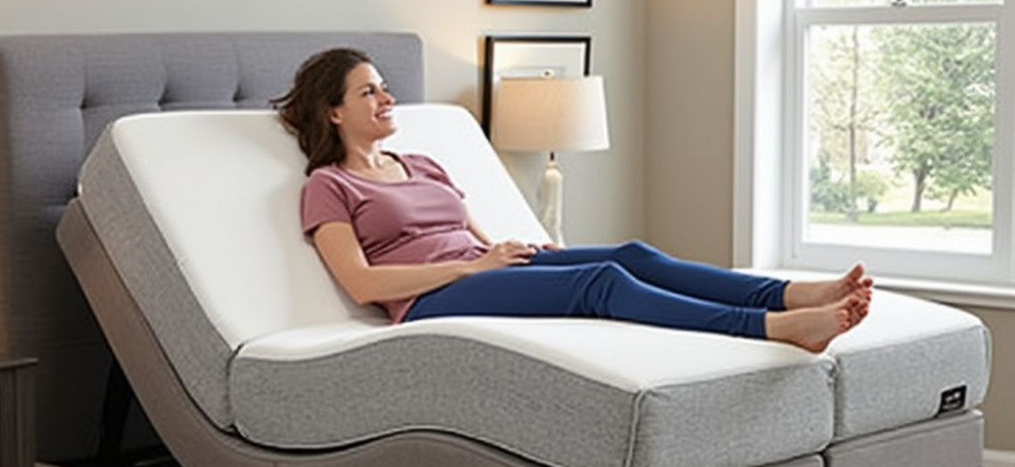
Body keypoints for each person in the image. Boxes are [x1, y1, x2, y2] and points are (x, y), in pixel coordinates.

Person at [272, 48, 871, 353]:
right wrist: (471, 266)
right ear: (333, 110)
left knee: (631, 253)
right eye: (368, 92)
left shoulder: (422, 162)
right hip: (427, 299)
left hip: (478, 267)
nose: (387, 98)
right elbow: (362, 283)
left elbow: (474, 234)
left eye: (385, 87)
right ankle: (769, 328)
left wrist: (522, 253)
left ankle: (789, 292)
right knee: (600, 283)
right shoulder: (329, 184)